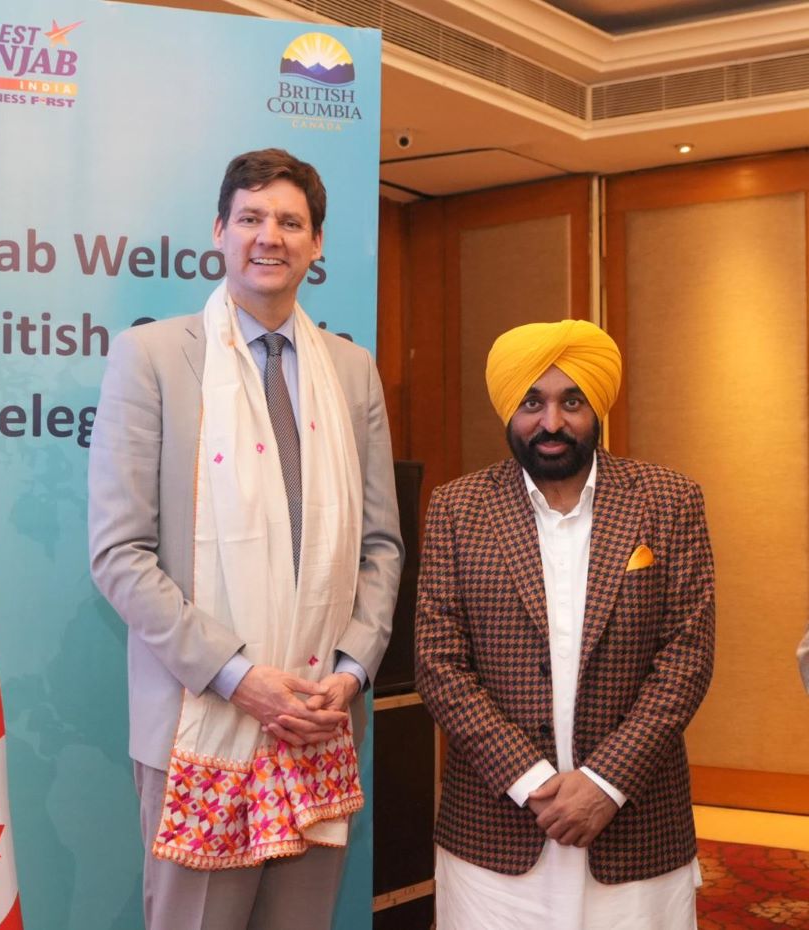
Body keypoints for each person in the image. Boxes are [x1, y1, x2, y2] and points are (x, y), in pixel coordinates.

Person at [88, 148, 403, 930]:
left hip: (319, 722)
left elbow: (381, 546)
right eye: (252, 218)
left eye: (290, 222)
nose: (271, 237)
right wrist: (238, 677)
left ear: (316, 243)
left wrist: (351, 672)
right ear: (219, 232)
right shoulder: (152, 358)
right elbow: (120, 555)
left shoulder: (352, 371)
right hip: (200, 721)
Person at [415, 320, 715, 930]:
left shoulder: (669, 499)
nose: (551, 422)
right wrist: (530, 782)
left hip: (635, 826)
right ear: (509, 409)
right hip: (496, 830)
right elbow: (438, 662)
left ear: (596, 407)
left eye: (571, 402)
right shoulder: (458, 507)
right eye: (532, 402)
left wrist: (606, 782)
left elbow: (686, 658)